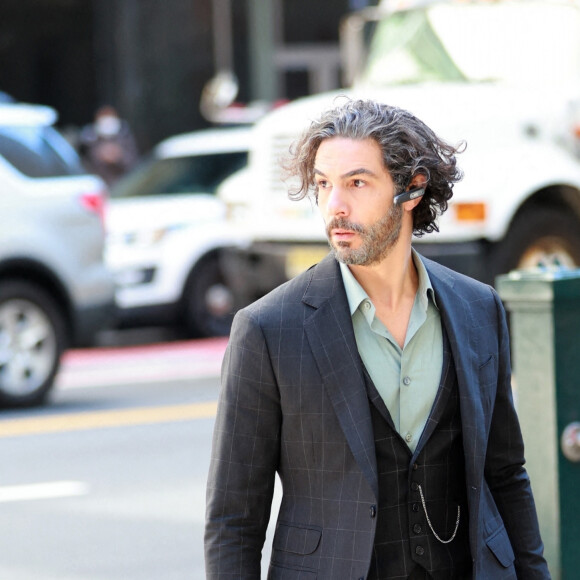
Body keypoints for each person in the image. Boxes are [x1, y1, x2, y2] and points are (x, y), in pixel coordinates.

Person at [205, 99, 550, 579]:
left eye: (357, 183)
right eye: (324, 185)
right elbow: (233, 520)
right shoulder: (268, 329)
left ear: (411, 188)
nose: (335, 206)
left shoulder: (477, 309)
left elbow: (506, 474)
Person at [78, 105, 139, 187]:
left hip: (123, 184)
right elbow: (83, 165)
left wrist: (119, 156)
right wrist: (99, 155)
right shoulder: (89, 139)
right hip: (99, 185)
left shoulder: (125, 136)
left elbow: (134, 164)